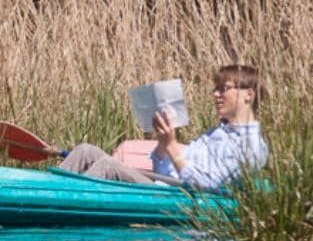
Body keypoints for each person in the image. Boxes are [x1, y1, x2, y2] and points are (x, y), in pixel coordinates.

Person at [57, 63, 268, 190]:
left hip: (180, 197)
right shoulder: (217, 132)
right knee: (86, 150)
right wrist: (162, 144)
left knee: (108, 166)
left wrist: (173, 145)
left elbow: (204, 184)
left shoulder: (251, 145)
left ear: (248, 94)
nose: (216, 94)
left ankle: (59, 199)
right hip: (164, 186)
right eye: (216, 89)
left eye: (224, 89)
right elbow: (163, 171)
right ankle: (46, 189)